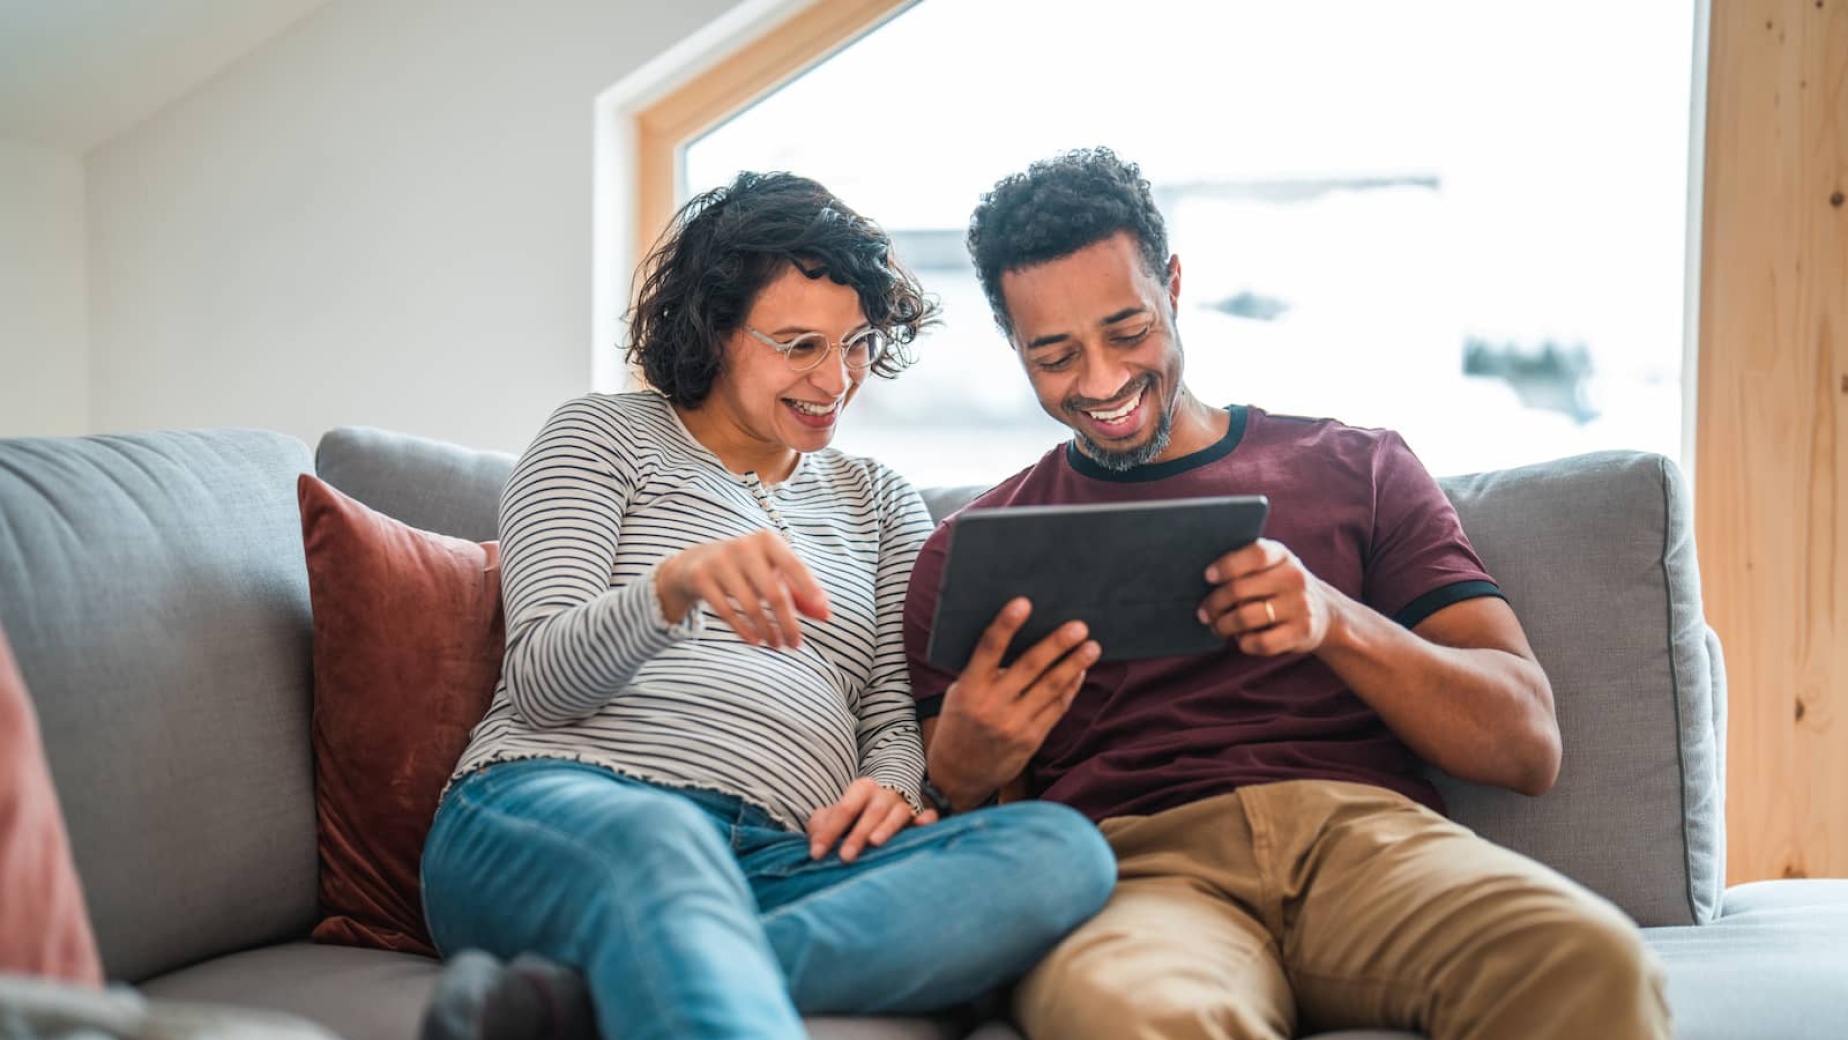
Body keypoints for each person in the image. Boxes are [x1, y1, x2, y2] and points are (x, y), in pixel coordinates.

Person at [902, 149, 1672, 1040]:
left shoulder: (1359, 467)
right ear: (1015, 349)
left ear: (1175, 287)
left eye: (1127, 331)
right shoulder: (970, 552)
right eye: (1055, 355)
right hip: (1136, 875)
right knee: (1129, 1016)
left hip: (1370, 843)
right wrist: (958, 775)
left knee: (1587, 961)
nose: (1103, 380)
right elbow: (969, 856)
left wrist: (1335, 621)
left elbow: (1527, 746)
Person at [418, 171, 1115, 1040]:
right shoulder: (602, 436)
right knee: (658, 844)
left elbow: (892, 721)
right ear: (713, 332)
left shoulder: (879, 500)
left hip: (783, 858)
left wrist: (892, 789)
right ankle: (672, 960)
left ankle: (584, 1001)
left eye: (857, 343)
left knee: (1059, 854)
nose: (838, 379)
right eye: (798, 345)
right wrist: (672, 588)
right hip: (558, 813)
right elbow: (544, 685)